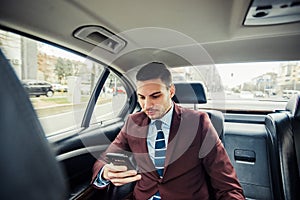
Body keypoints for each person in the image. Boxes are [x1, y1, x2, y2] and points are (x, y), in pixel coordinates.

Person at [91, 62, 245, 199]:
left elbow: (228, 185)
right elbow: (105, 158)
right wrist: (105, 172)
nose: (147, 106)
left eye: (155, 96)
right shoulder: (133, 122)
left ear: (171, 92)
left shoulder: (198, 122)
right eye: (141, 97)